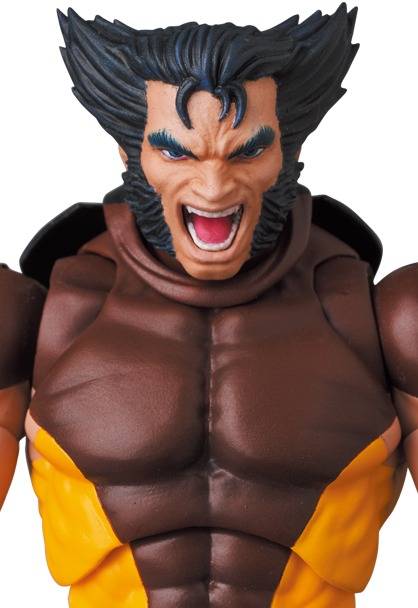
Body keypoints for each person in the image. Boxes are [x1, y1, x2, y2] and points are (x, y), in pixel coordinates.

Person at [0, 4, 416, 606]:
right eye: (178, 154)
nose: (214, 188)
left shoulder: (374, 313)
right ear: (131, 154)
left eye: (246, 153)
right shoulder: (54, 309)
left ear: (286, 151)